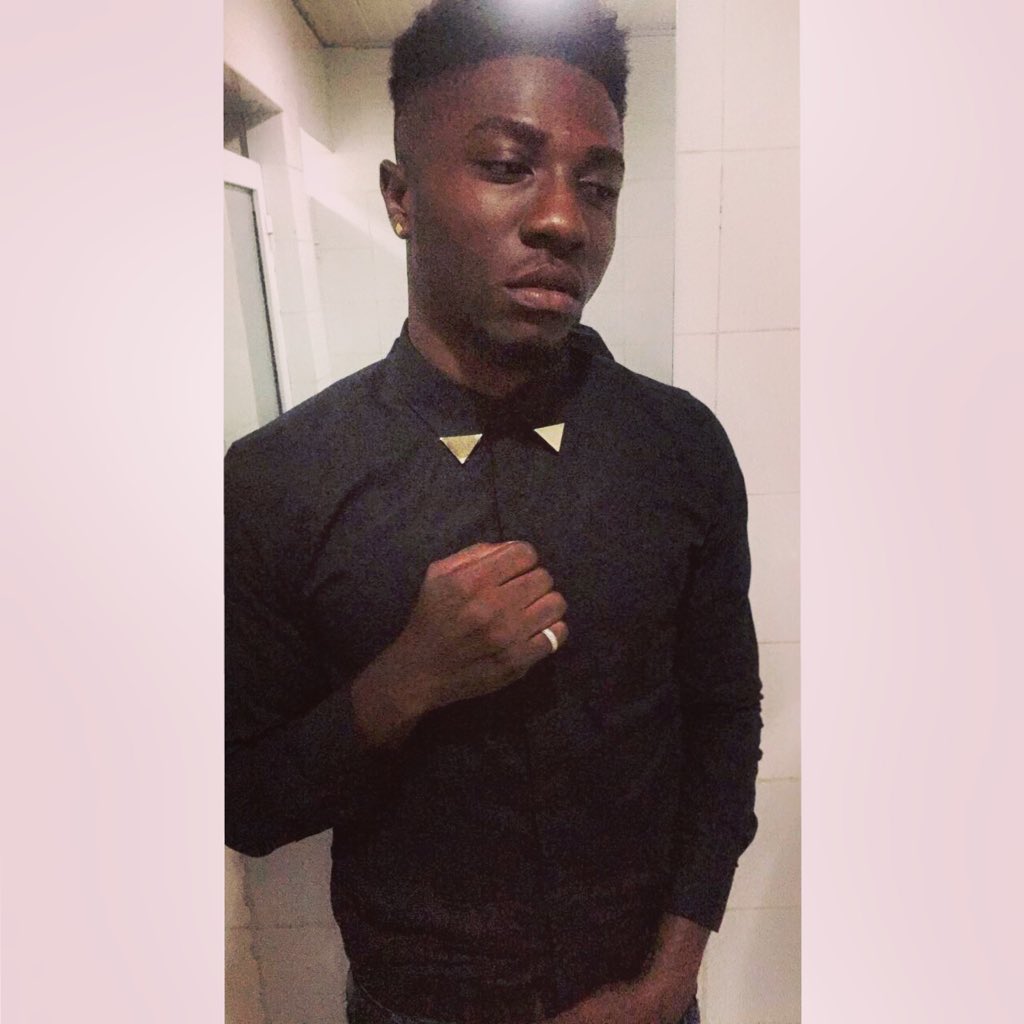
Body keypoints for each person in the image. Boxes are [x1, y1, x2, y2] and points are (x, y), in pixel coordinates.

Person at [225, 2, 762, 1022]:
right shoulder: (274, 483)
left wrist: (672, 974)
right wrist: (402, 682)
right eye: (508, 166)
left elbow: (724, 719)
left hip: (642, 1001)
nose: (564, 220)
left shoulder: (680, 447)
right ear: (400, 197)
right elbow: (242, 802)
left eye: (597, 186)